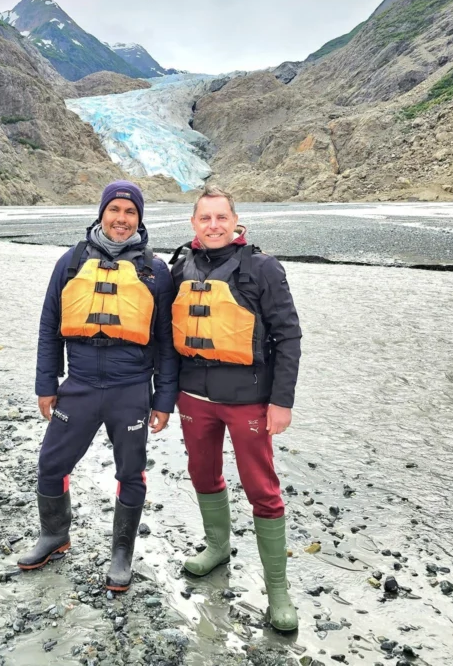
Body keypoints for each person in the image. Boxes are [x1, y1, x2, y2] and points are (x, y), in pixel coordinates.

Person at [18, 180, 179, 592]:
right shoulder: (70, 262)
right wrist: (45, 383)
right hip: (81, 384)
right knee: (52, 465)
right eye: (115, 210)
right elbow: (49, 327)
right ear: (102, 213)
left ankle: (122, 552)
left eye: (130, 212)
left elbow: (165, 341)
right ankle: (55, 535)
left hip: (130, 390)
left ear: (139, 219)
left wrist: (163, 399)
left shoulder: (155, 270)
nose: (121, 220)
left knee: (131, 473)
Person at [169, 185, 302, 631]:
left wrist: (281, 401)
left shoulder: (262, 269)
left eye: (221, 218)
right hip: (194, 397)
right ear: (193, 223)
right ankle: (217, 546)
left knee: (261, 487)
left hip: (248, 399)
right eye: (205, 219)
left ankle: (278, 590)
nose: (213, 226)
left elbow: (289, 336)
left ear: (235, 220)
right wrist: (163, 394)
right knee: (202, 473)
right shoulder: (179, 266)